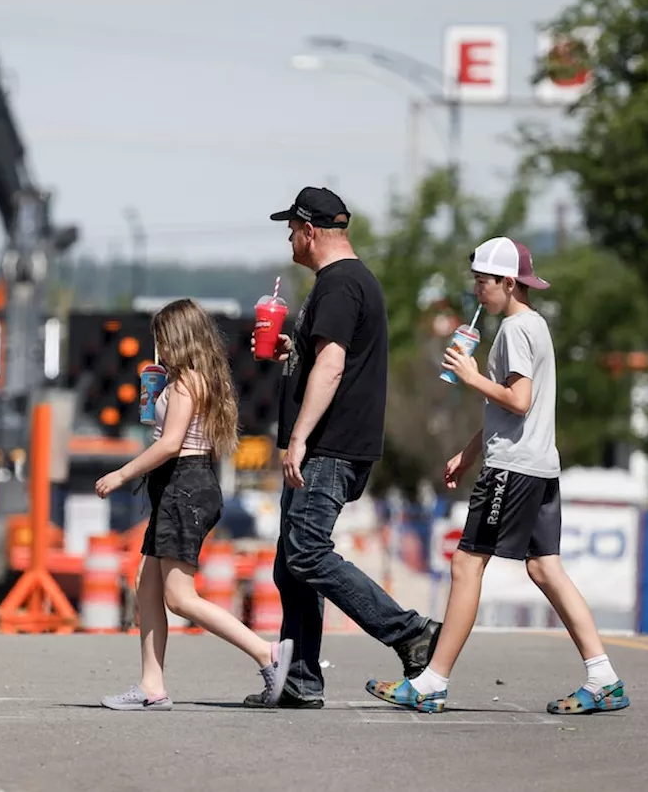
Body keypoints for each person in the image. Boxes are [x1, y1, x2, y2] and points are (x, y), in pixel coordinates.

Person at [366, 236, 630, 715]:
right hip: (538, 465)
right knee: (544, 567)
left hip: (514, 468)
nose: (477, 291)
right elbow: (508, 408)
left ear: (509, 283)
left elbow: (519, 399)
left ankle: (431, 683)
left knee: (467, 564)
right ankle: (603, 677)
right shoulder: (534, 325)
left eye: (483, 282)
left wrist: (469, 376)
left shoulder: (514, 330)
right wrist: (468, 453)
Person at [247, 187, 440, 710]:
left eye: (291, 228)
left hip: (328, 447)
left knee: (306, 552)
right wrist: (293, 349)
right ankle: (301, 680)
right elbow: (328, 357)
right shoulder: (348, 284)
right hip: (331, 445)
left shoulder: (339, 285)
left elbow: (333, 367)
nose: (288, 236)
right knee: (291, 563)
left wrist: (299, 438)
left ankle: (410, 633)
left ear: (311, 231)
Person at [95, 298, 295, 711]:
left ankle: (267, 653)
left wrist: (121, 474)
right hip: (177, 487)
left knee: (179, 597)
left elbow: (171, 444)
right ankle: (152, 686)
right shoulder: (185, 380)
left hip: (184, 486)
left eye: (162, 340)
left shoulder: (187, 382)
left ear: (180, 339)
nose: (159, 349)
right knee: (145, 585)